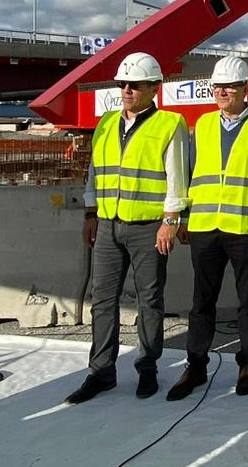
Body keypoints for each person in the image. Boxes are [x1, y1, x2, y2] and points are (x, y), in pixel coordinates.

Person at [66, 52, 190, 404]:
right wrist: (90, 214)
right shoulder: (105, 123)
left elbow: (176, 178)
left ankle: (147, 366)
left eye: (135, 85)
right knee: (102, 300)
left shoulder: (170, 124)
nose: (127, 90)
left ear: (154, 87)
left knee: (149, 300)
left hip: (149, 227)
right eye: (122, 84)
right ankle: (101, 371)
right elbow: (94, 172)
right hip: (107, 224)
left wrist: (170, 221)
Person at [166, 56, 248, 401]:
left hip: (246, 228)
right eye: (217, 86)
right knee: (201, 301)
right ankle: (196, 365)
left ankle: (247, 364)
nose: (222, 92)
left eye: (229, 86)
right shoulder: (201, 125)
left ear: (245, 89)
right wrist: (184, 218)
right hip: (204, 226)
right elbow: (190, 173)